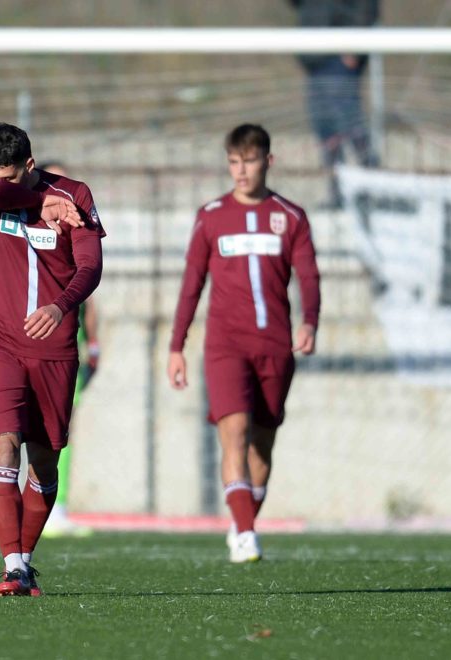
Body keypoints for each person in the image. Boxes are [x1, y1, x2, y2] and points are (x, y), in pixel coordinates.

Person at [0, 123, 105, 596]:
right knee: (3, 445)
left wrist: (60, 307)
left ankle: (24, 559)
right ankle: (14, 567)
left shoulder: (75, 195)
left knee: (44, 463)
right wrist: (36, 203)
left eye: (8, 178)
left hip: (53, 348)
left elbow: (91, 266)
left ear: (30, 165)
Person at [168, 124, 320, 563]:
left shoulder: (291, 217)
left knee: (261, 448)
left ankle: (241, 523)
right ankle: (248, 534)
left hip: (274, 345)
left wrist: (309, 322)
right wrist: (177, 345)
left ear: (267, 162)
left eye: (249, 161)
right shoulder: (211, 215)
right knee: (233, 434)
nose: (241, 170)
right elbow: (192, 283)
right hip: (225, 346)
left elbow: (309, 275)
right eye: (234, 162)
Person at [38, 162, 99, 539]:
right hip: (23, 337)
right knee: (7, 424)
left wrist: (94, 344)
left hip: (65, 342)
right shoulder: (22, 224)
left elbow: (89, 291)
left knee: (61, 427)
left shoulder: (78, 229)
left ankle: (56, 509)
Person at [289, 0, 380, 208]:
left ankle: (373, 190)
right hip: (313, 57)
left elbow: (368, 7)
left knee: (350, 124)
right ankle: (337, 194)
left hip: (340, 55)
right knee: (325, 129)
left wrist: (355, 48)